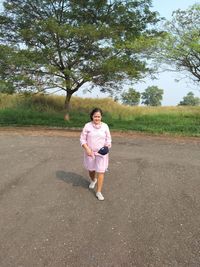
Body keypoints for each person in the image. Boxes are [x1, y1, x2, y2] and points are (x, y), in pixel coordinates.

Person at [80, 108, 112, 201]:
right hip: (90, 153)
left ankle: (98, 192)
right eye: (95, 116)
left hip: (101, 154)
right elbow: (82, 139)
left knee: (101, 171)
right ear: (92, 116)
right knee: (91, 170)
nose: (97, 118)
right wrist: (87, 149)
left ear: (101, 117)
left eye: (98, 116)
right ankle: (93, 180)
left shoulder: (105, 126)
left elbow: (108, 139)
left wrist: (106, 147)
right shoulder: (87, 126)